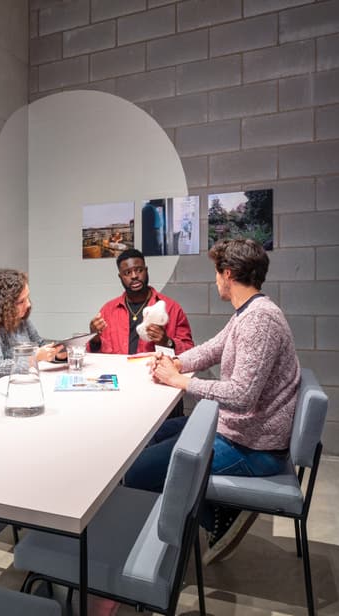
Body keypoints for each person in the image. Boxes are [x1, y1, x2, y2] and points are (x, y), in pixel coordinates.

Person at [125, 238, 301, 566]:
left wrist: (180, 381)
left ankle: (207, 522)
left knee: (138, 472)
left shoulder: (260, 320)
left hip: (253, 447)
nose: (215, 279)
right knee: (158, 435)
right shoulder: (248, 312)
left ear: (228, 274)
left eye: (217, 273)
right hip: (240, 432)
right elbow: (212, 349)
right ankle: (213, 510)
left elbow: (241, 395)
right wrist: (177, 362)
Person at [0, 269, 64, 389]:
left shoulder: (22, 321)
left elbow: (39, 344)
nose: (28, 304)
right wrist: (34, 358)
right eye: (21, 301)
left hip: (14, 383)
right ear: (4, 304)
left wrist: (57, 353)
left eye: (27, 298)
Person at [89, 248, 194, 355]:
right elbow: (94, 354)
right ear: (120, 277)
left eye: (139, 270)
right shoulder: (108, 310)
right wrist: (94, 339)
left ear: (146, 270)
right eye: (127, 273)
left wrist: (167, 341)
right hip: (118, 366)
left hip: (154, 366)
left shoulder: (171, 308)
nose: (134, 276)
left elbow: (189, 351)